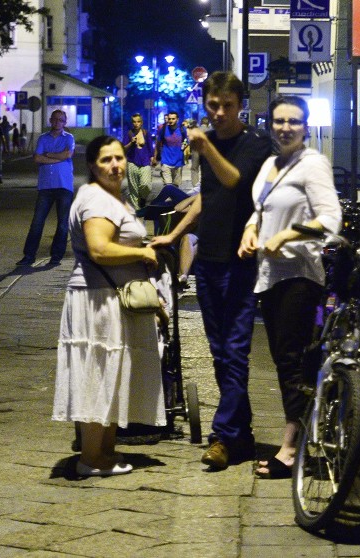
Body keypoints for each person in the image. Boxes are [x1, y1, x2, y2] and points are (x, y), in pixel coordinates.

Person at [151, 71, 272, 470]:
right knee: (220, 353)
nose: (219, 113)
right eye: (213, 106)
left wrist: (206, 146)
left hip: (241, 262)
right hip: (210, 260)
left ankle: (223, 436)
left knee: (236, 351)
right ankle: (243, 435)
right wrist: (176, 233)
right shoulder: (211, 142)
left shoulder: (255, 143)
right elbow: (208, 196)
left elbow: (234, 181)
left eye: (227, 106)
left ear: (240, 105)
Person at [237, 96, 341, 479]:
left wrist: (286, 235)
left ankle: (292, 447)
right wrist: (251, 230)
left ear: (306, 125)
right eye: (279, 121)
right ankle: (298, 440)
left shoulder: (313, 164)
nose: (285, 127)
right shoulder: (271, 163)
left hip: (299, 274)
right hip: (269, 275)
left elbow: (331, 218)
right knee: (286, 362)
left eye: (293, 121)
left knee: (292, 361)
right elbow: (260, 208)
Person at [52, 135, 165, 477]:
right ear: (91, 165)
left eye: (119, 158)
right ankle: (90, 458)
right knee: (98, 373)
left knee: (112, 373)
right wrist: (142, 252)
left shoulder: (111, 197)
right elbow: (99, 249)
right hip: (97, 298)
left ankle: (103, 453)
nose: (115, 165)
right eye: (106, 160)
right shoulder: (96, 199)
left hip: (109, 296)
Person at [16, 110, 75, 266]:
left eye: (60, 120)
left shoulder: (69, 138)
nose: (57, 122)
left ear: (65, 122)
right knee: (37, 222)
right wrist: (58, 156)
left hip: (64, 186)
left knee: (62, 224)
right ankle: (29, 256)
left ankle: (56, 256)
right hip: (46, 186)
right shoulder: (43, 138)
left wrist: (47, 155)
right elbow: (36, 158)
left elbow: (68, 155)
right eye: (54, 119)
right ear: (50, 120)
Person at [122, 113, 154, 210]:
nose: (136, 124)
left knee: (146, 185)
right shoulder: (129, 134)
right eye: (134, 122)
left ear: (141, 122)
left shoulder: (146, 133)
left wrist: (152, 158)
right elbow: (123, 149)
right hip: (132, 162)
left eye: (138, 121)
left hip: (145, 162)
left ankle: (143, 197)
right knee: (133, 188)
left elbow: (150, 148)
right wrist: (131, 143)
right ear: (132, 123)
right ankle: (137, 209)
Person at [152, 111, 188, 194]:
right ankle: (169, 204)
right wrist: (155, 158)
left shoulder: (182, 129)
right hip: (166, 161)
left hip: (178, 161)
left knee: (175, 186)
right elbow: (158, 144)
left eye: (173, 119)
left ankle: (174, 204)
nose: (170, 120)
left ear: (177, 119)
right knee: (168, 186)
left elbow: (186, 140)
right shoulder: (163, 130)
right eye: (169, 119)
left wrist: (185, 144)